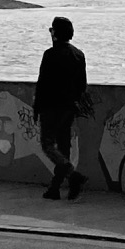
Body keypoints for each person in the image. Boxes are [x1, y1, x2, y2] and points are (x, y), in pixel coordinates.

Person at [33, 16, 88, 200]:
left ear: (55, 33)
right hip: (69, 108)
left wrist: (36, 107)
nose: (51, 33)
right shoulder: (79, 55)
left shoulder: (49, 55)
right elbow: (82, 85)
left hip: (50, 107)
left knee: (48, 145)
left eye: (51, 30)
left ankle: (72, 175)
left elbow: (42, 84)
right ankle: (56, 188)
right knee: (64, 148)